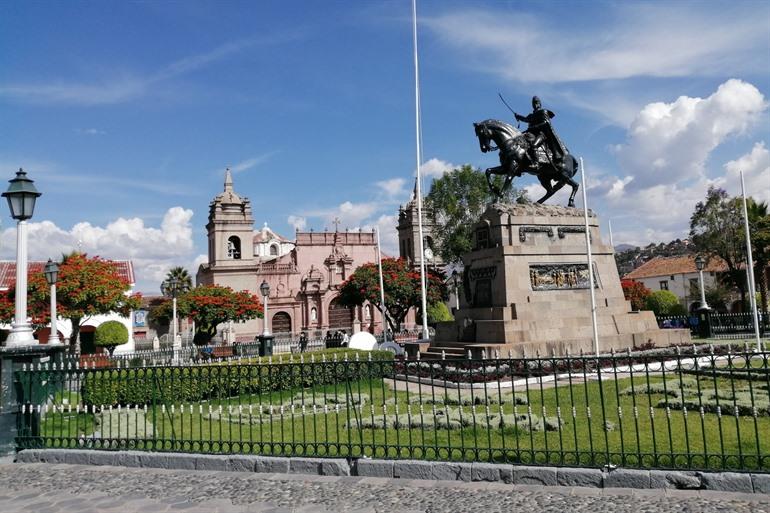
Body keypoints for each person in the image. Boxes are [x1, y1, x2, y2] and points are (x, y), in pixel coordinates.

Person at [514, 96, 565, 168]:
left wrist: (534, 127)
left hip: (542, 134)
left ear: (540, 104)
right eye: (533, 103)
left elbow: (546, 123)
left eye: (536, 102)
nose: (535, 104)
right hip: (532, 134)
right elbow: (526, 119)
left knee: (534, 145)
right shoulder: (531, 115)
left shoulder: (543, 112)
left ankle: (536, 163)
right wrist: (518, 116)